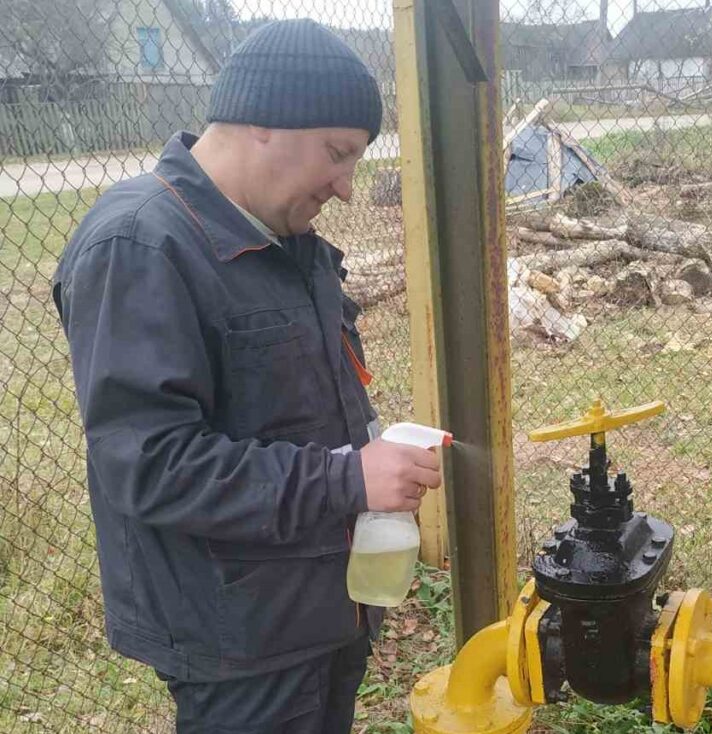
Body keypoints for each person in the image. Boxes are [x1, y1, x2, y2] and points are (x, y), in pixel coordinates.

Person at [51, 19, 441, 733]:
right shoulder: (140, 244)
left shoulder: (281, 237)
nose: (347, 187)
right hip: (241, 641)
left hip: (320, 609)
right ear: (265, 122)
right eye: (337, 153)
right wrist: (346, 479)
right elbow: (150, 463)